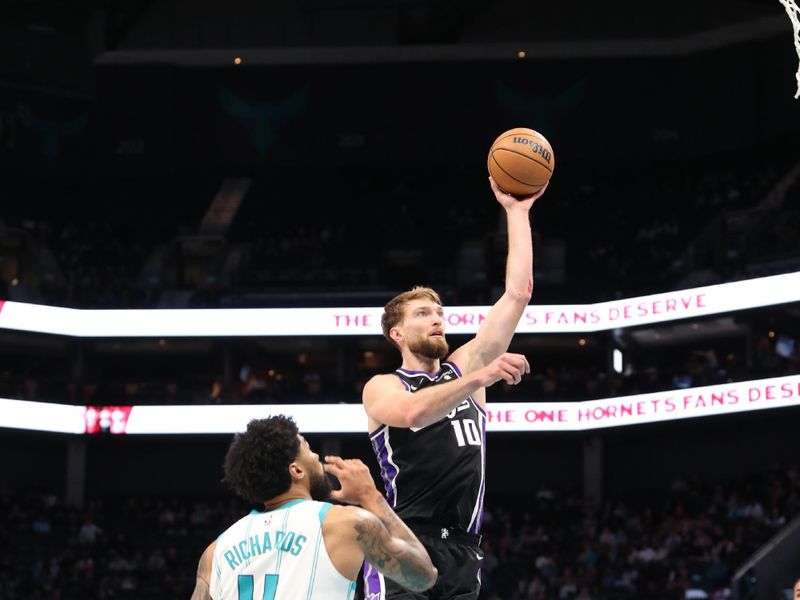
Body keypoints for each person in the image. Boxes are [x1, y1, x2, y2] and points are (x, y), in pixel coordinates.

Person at [362, 177, 545, 599]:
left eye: (440, 312)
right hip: (403, 542)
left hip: (464, 549)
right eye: (423, 313)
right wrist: (481, 377)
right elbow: (412, 415)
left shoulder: (464, 366)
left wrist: (517, 213)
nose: (437, 319)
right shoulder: (382, 386)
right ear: (397, 335)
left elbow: (518, 294)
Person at [190, 416, 437, 600]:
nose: (317, 456)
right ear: (296, 470)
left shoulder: (214, 553)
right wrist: (370, 496)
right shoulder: (345, 524)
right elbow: (424, 575)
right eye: (309, 449)